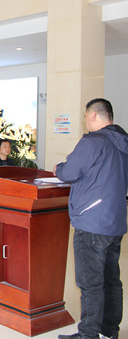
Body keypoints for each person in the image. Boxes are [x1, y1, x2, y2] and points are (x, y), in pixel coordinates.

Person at [55, 99, 128, 339]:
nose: (86, 121)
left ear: (94, 115)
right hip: (115, 221)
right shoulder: (123, 141)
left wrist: (58, 168)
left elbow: (69, 172)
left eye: (86, 116)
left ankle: (88, 334)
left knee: (90, 282)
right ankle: (109, 331)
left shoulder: (93, 141)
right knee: (111, 279)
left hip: (91, 221)